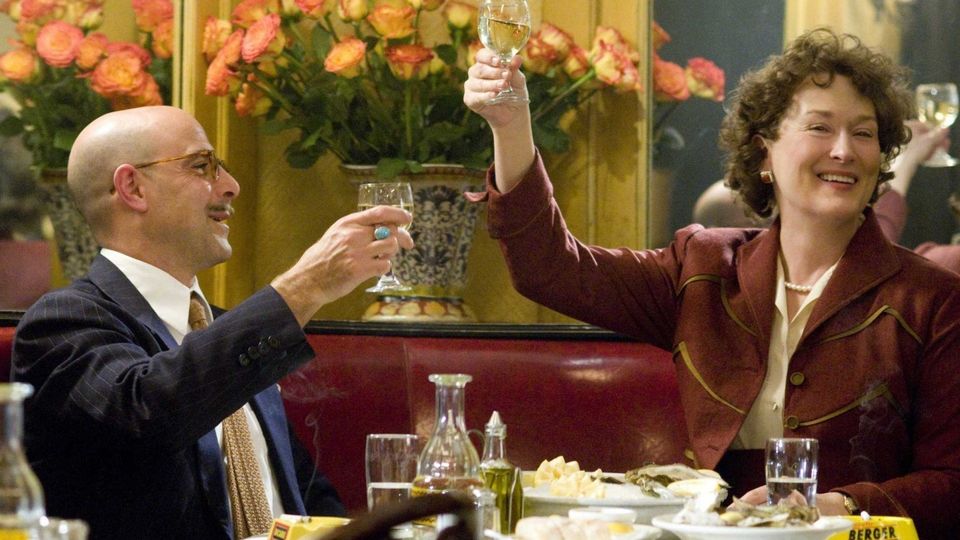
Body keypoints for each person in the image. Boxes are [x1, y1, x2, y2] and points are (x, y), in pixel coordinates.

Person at [464, 28, 960, 537]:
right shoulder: (703, 266)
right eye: (820, 127)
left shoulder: (935, 299)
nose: (843, 150)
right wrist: (511, 125)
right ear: (764, 154)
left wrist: (838, 506)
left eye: (864, 133)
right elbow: (550, 268)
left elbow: (952, 482)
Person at [12, 106, 413, 539]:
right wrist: (304, 286)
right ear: (133, 188)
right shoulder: (62, 322)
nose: (231, 186)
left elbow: (304, 498)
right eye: (202, 166)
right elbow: (151, 412)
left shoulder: (225, 333)